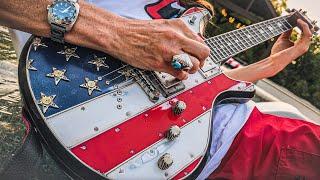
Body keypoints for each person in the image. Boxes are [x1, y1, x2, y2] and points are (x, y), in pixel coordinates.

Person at [0, 0, 319, 179]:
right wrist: (118, 33)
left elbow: (198, 79)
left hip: (234, 137)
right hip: (107, 139)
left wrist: (276, 62)